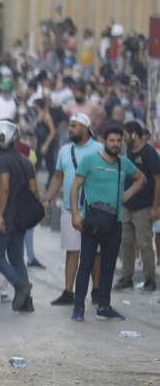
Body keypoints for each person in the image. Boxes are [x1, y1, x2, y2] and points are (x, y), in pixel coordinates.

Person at [69, 125, 145, 321]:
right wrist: (75, 215)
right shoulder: (89, 160)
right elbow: (75, 187)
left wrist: (126, 195)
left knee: (108, 266)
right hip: (91, 222)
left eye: (119, 141)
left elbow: (141, 179)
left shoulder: (123, 163)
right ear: (104, 141)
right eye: (112, 140)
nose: (116, 144)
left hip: (114, 223)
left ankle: (104, 305)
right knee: (85, 265)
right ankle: (78, 308)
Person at [41, 112, 103, 305]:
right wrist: (47, 199)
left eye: (74, 125)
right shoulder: (64, 150)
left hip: (94, 209)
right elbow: (58, 177)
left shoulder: (100, 149)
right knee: (72, 250)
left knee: (95, 252)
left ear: (86, 128)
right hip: (70, 209)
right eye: (69, 125)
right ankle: (68, 292)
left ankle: (97, 290)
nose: (70, 129)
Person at [0, 120, 37, 313]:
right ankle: (27, 303)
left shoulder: (3, 161)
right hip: (21, 217)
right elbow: (33, 190)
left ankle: (20, 285)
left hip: (6, 215)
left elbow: (4, 188)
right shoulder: (26, 160)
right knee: (17, 260)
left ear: (3, 138)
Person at [116, 120, 160, 291]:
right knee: (126, 242)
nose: (123, 139)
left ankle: (150, 280)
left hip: (144, 207)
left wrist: (155, 207)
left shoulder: (149, 153)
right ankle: (127, 277)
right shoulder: (128, 151)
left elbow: (158, 180)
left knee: (144, 244)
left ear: (134, 134)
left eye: (125, 135)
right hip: (127, 205)